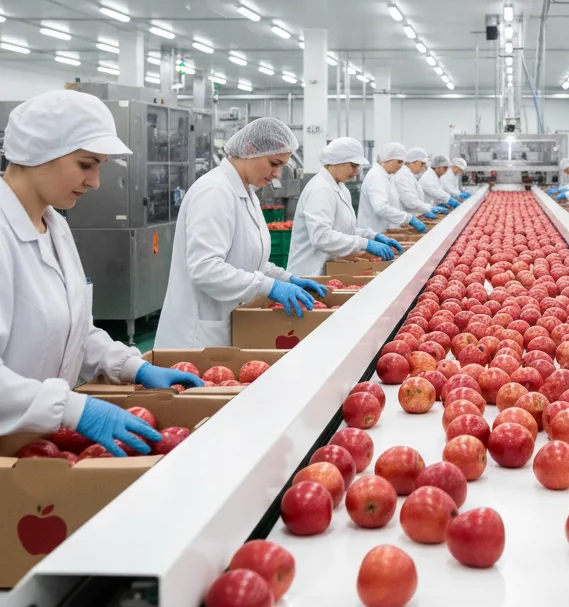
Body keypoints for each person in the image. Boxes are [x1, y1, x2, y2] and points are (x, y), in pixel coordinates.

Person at [1, 90, 201, 457]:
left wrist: (131, 366)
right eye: (86, 164)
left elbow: (74, 330)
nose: (95, 182)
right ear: (39, 151)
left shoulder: (55, 226)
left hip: (32, 449)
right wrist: (71, 409)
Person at [157, 118, 327, 348]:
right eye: (274, 163)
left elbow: (247, 260)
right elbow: (205, 269)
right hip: (198, 337)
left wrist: (285, 279)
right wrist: (269, 287)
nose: (277, 174)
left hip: (227, 325)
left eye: (281, 166)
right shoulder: (214, 192)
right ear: (249, 149)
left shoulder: (247, 193)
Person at [287, 138, 402, 277]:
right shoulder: (320, 189)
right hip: (310, 272)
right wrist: (365, 243)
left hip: (328, 269)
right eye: (353, 165)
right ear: (336, 161)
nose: (356, 171)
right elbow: (322, 237)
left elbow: (345, 229)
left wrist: (372, 236)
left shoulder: (341, 188)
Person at [358, 143, 425, 236]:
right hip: (375, 233)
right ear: (388, 159)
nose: (401, 166)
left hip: (384, 231)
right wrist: (408, 219)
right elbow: (381, 208)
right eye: (399, 162)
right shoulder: (376, 176)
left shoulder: (387, 176)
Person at [395, 146, 447, 219]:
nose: (423, 167)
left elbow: (416, 199)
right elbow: (410, 201)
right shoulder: (402, 175)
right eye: (422, 164)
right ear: (415, 162)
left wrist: (425, 209)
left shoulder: (409, 175)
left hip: (411, 216)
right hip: (404, 218)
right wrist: (429, 208)